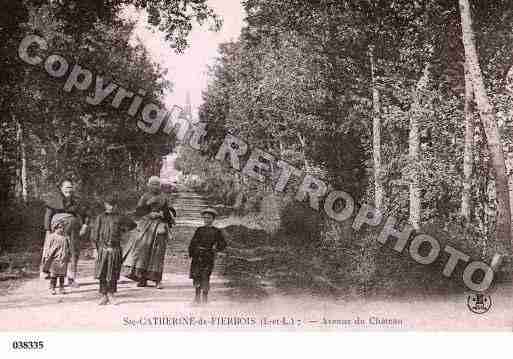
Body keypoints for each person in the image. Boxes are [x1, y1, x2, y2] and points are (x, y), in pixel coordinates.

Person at [122, 176, 176, 289]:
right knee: (142, 251)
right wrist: (148, 210)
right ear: (149, 185)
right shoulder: (145, 196)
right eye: (152, 184)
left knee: (157, 253)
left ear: (160, 186)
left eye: (157, 184)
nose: (154, 187)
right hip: (146, 225)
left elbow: (171, 212)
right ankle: (142, 278)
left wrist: (162, 214)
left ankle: (157, 280)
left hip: (159, 226)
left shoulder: (164, 197)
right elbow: (138, 212)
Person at [41, 179, 89, 288]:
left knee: (73, 253)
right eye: (66, 187)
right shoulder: (54, 200)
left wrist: (85, 226)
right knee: (56, 254)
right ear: (61, 188)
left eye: (71, 187)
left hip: (73, 231)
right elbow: (48, 216)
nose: (69, 189)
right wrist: (48, 231)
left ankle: (71, 278)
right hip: (57, 232)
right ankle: (53, 280)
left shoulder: (77, 201)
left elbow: (86, 215)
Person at [90, 194, 136, 305]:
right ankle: (103, 295)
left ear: (115, 206)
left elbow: (132, 225)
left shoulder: (120, 217)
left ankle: (111, 294)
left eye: (112, 205)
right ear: (104, 205)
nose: (110, 207)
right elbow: (94, 234)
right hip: (103, 249)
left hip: (115, 249)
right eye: (107, 204)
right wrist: (94, 249)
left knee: (113, 272)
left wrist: (123, 231)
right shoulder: (100, 217)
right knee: (102, 272)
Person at [188, 208, 227, 304]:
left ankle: (205, 298)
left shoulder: (216, 231)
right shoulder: (199, 230)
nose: (206, 220)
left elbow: (223, 243)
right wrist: (192, 252)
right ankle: (197, 297)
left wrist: (216, 248)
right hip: (197, 257)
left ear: (213, 219)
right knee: (197, 276)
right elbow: (193, 242)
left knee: (205, 276)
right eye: (205, 218)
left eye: (209, 218)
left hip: (208, 256)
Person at [42, 213, 73, 295]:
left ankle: (61, 288)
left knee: (62, 274)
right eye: (59, 228)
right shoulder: (52, 237)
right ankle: (53, 287)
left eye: (62, 228)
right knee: (54, 275)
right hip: (54, 259)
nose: (61, 229)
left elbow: (68, 247)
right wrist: (46, 256)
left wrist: (69, 255)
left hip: (63, 258)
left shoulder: (65, 237)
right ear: (55, 228)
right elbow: (48, 247)